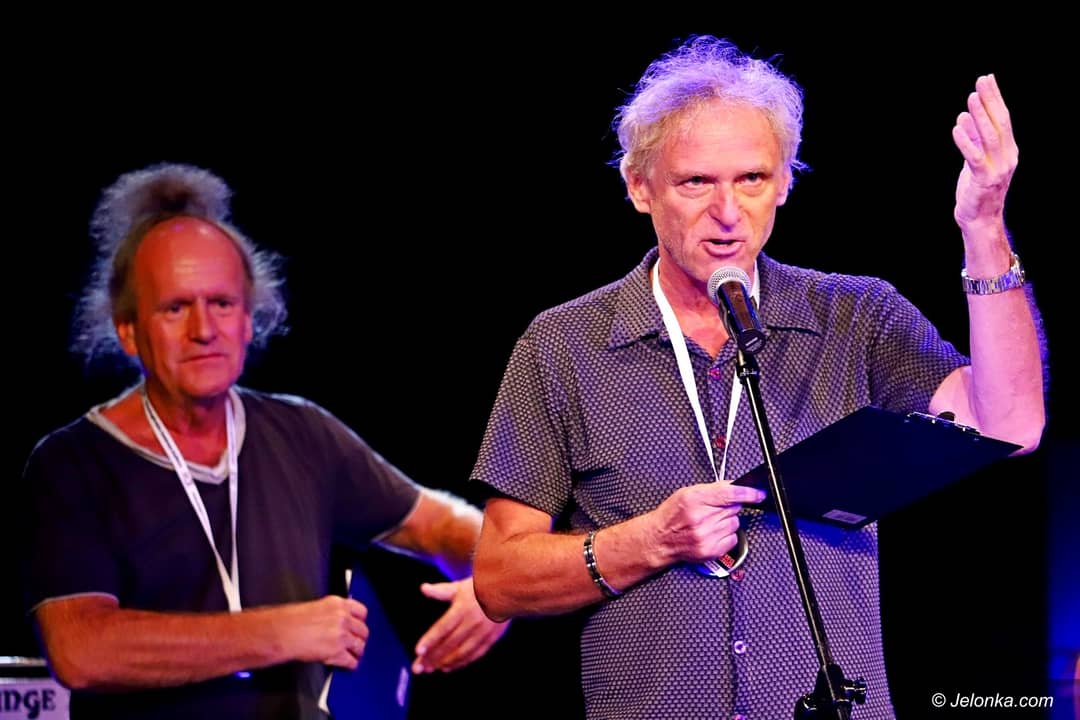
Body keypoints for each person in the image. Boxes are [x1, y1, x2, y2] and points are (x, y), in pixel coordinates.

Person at [469, 35, 1045, 719]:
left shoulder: (856, 317)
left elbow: (1010, 424)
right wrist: (650, 541)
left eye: (752, 179)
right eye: (695, 182)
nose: (727, 212)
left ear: (785, 182)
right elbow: (499, 580)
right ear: (638, 186)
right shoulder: (563, 345)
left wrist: (983, 227)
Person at [18, 162, 508, 719]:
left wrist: (494, 584)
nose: (204, 330)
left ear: (249, 320)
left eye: (222, 304)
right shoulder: (72, 465)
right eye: (175, 308)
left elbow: (439, 524)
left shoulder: (302, 434)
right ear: (128, 329)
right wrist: (280, 633)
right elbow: (81, 650)